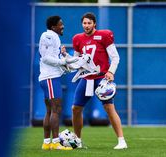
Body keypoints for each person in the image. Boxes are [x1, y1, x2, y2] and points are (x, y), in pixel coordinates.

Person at [71, 12, 127, 149]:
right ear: (81, 24)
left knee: (109, 108)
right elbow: (76, 61)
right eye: (84, 23)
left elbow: (115, 57)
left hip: (101, 77)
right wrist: (66, 58)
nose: (86, 25)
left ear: (94, 24)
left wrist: (111, 72)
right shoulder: (77, 39)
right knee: (75, 108)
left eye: (89, 23)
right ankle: (78, 141)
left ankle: (121, 141)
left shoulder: (104, 35)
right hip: (87, 77)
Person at [38, 15, 77, 150]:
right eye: (61, 24)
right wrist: (62, 62)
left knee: (50, 111)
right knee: (56, 109)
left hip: (49, 77)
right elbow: (46, 58)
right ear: (53, 26)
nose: (63, 26)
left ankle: (46, 143)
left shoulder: (55, 38)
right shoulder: (48, 35)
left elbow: (59, 60)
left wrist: (75, 60)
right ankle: (55, 142)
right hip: (50, 78)